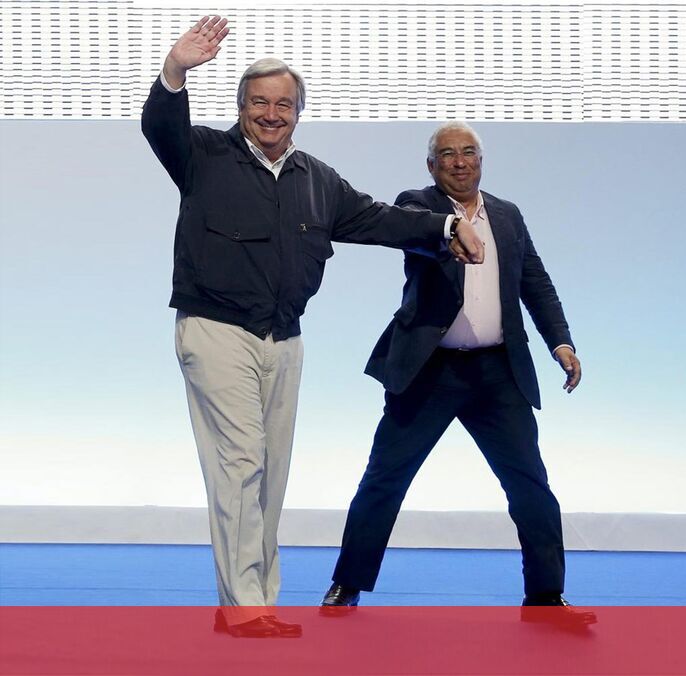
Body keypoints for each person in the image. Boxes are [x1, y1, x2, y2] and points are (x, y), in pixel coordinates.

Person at [141, 16, 484, 638]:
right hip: (216, 331)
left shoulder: (317, 179)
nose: (271, 114)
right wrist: (175, 71)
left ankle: (254, 602)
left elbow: (380, 219)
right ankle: (244, 607)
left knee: (270, 471)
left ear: (298, 112)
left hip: (285, 338)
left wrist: (443, 226)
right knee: (240, 463)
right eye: (259, 102)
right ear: (241, 106)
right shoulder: (204, 155)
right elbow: (159, 126)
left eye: (283, 104)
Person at [321, 122, 596, 627]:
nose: (460, 161)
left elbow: (535, 282)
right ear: (432, 165)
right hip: (429, 371)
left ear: (481, 161)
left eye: (469, 152)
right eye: (447, 154)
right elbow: (415, 231)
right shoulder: (417, 205)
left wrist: (561, 342)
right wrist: (450, 231)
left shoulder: (508, 215)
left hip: (498, 373)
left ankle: (545, 596)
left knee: (530, 485)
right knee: (385, 478)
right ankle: (348, 584)